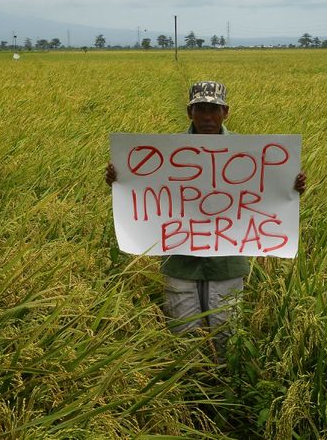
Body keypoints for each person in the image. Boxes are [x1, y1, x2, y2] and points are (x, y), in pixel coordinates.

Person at [105, 81, 306, 354]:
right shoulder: (166, 152)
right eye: (200, 109)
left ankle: (224, 386)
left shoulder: (249, 152)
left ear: (226, 112)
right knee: (184, 339)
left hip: (227, 262)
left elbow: (267, 191)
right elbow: (143, 187)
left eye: (214, 109)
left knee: (227, 337)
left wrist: (291, 185)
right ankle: (190, 390)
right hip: (180, 262)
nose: (208, 117)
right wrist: (121, 180)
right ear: (190, 112)